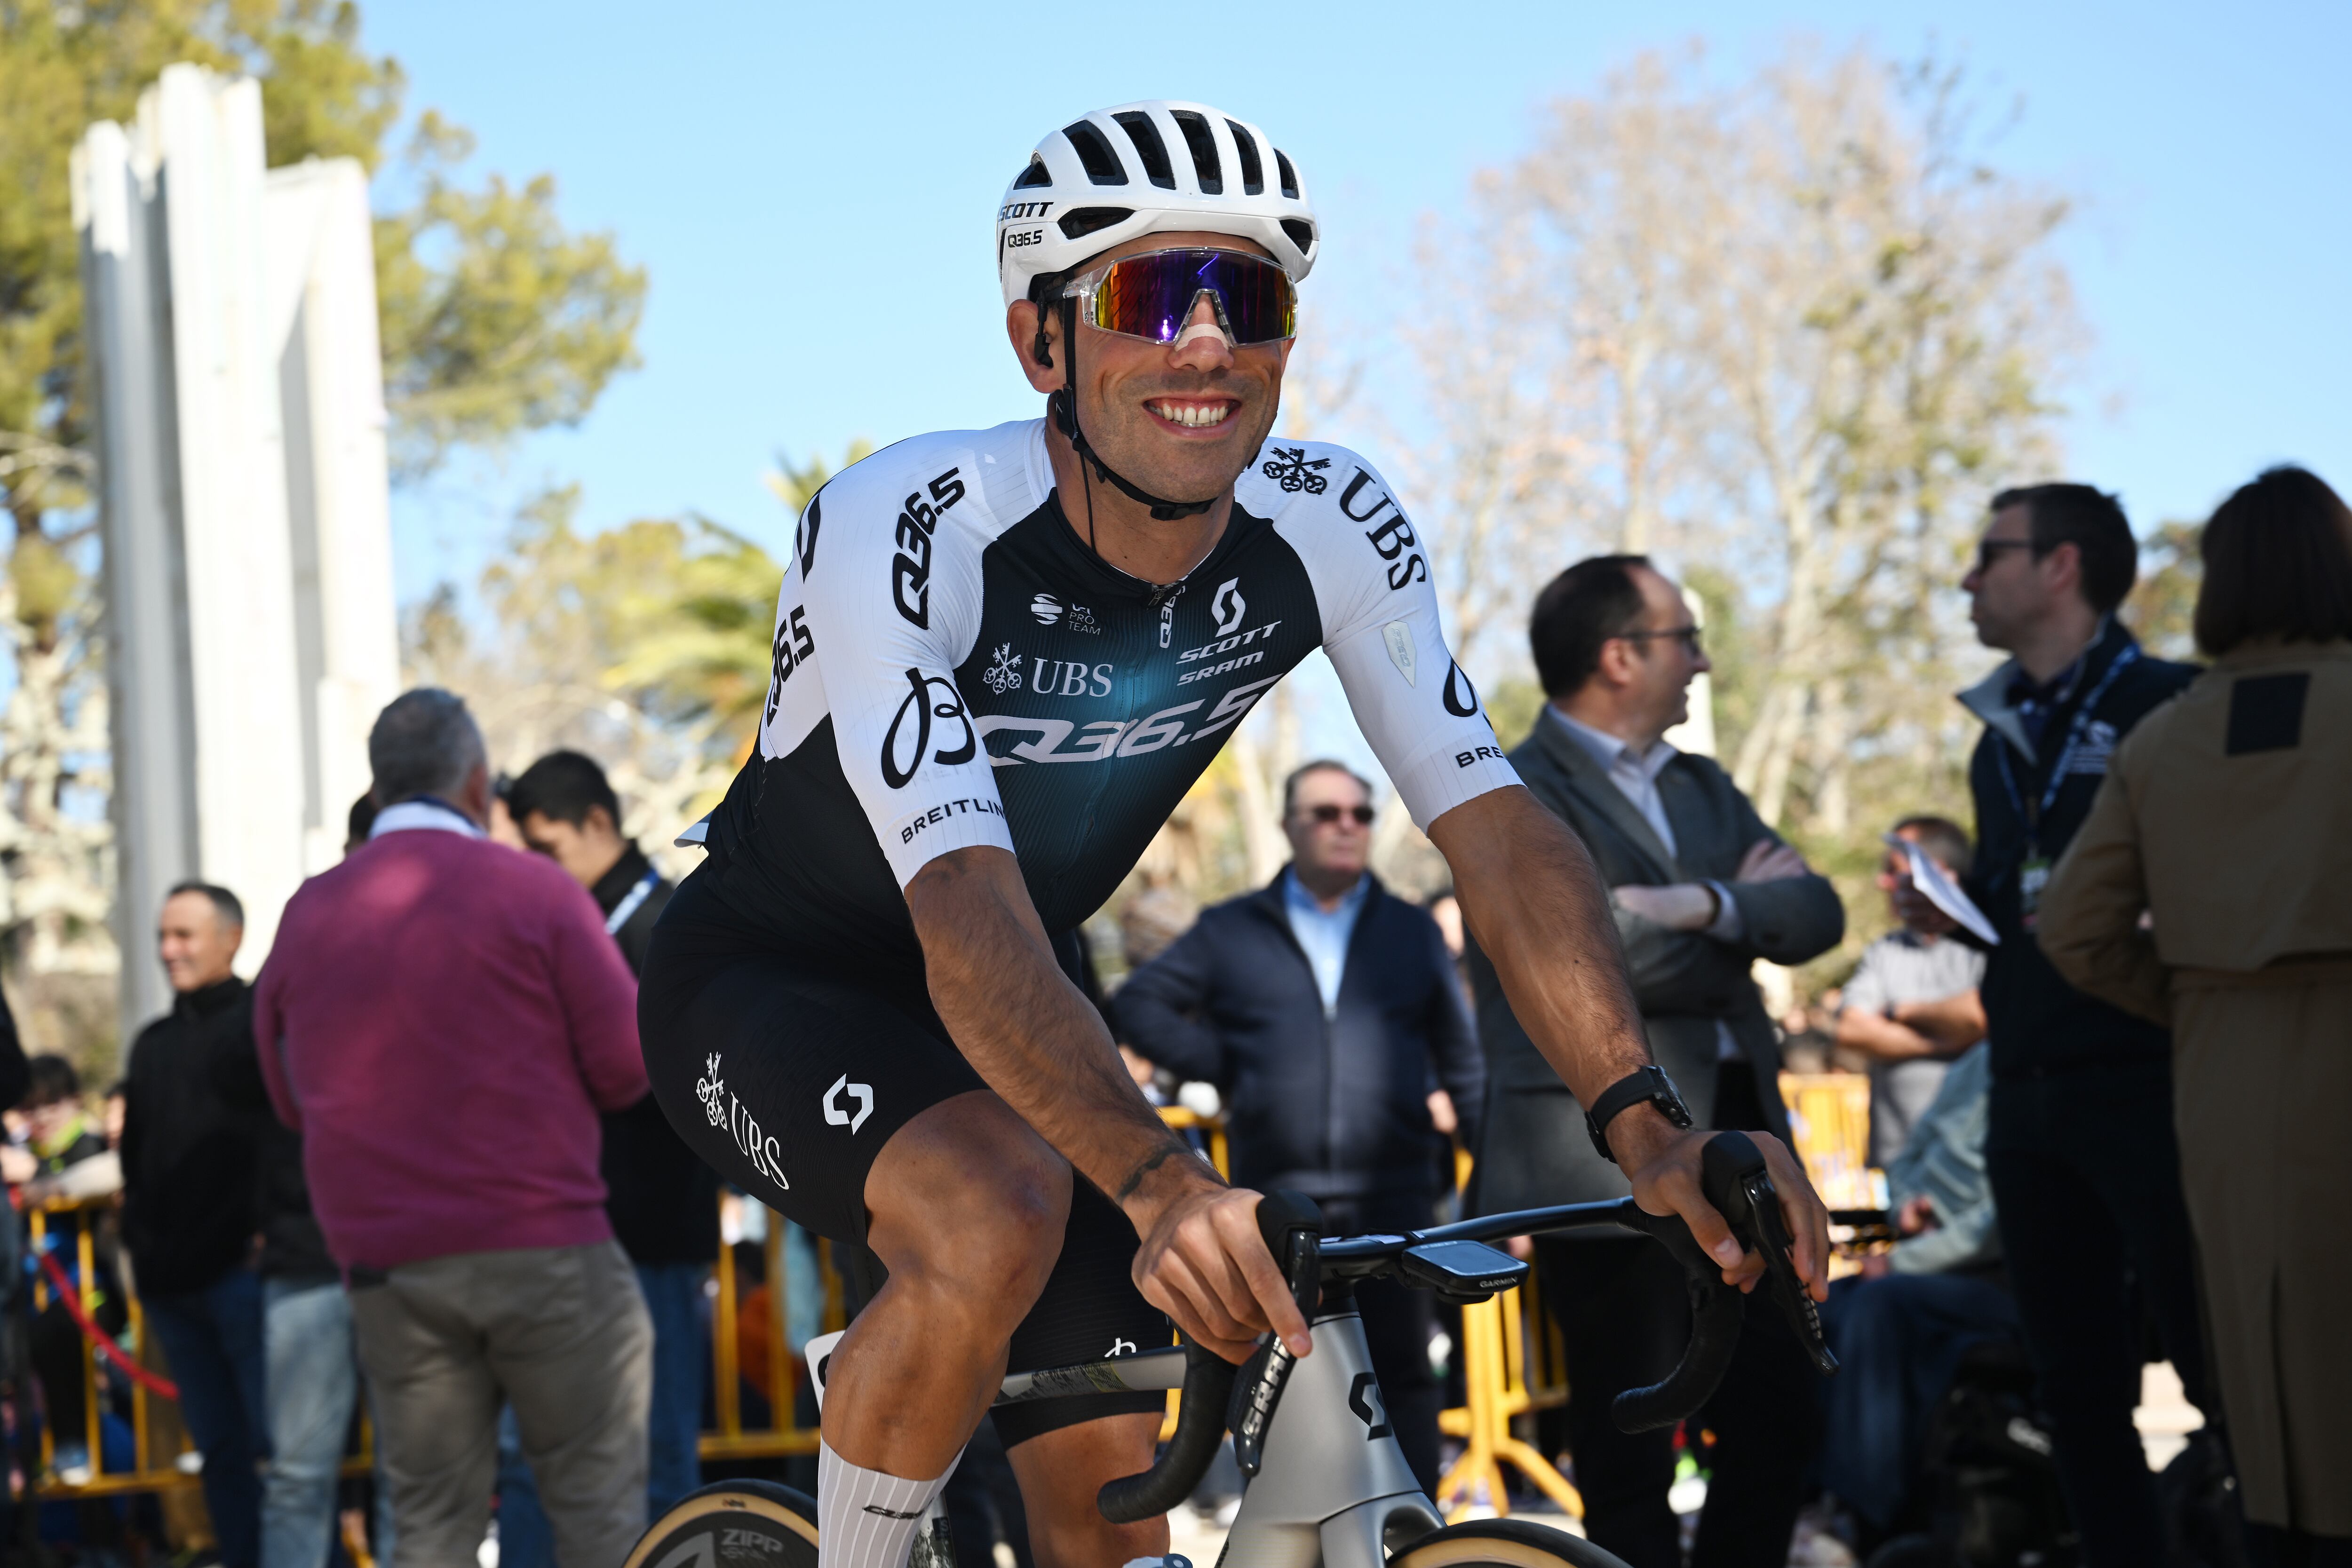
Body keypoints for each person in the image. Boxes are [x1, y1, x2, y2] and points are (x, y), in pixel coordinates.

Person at [636, 102, 1830, 1568]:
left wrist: (1642, 1119)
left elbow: (1499, 836)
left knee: (1110, 1516)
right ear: (1041, 346)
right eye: (1150, 296)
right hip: (775, 978)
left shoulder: (1328, 520)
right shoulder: (911, 518)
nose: (1205, 343)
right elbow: (958, 899)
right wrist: (1157, 1182)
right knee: (995, 1206)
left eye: (1248, 298)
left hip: (1019, 1009)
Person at [1465, 553, 1844, 1568]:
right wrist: (1733, 914)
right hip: (1593, 1151)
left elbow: (1817, 911)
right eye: (1686, 639)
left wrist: (1701, 905)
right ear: (1620, 655)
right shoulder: (1509, 789)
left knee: (1781, 1416)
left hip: (1746, 1145)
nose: (1704, 663)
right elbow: (1569, 955)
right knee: (1628, 1434)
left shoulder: (1704, 783)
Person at [254, 690, 655, 1568]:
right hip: (544, 1243)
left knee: (429, 1520)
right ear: (478, 783)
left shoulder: (307, 912)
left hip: (389, 1266)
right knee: (597, 1506)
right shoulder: (537, 891)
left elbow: (284, 1094)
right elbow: (628, 1063)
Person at [2038, 465, 2352, 1565]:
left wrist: (2198, 997)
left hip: (2223, 1064)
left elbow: (2073, 927)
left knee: (2264, 1354)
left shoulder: (2163, 738)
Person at [1931, 483, 2205, 1567]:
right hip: (2026, 1087)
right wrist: (1951, 905)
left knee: (2206, 1356)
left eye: (1988, 552)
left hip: (2152, 1077)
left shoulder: (2170, 705)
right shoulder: (1994, 739)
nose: (1966, 576)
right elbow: (2024, 900)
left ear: (2060, 567)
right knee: (2075, 1382)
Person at [1112, 759, 1485, 1493]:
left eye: (1360, 812)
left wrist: (1493, 1184)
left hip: (1397, 1196)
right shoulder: (1231, 929)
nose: (1347, 825)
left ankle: (1405, 1536)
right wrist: (1230, 1065)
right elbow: (1138, 1003)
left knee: (1402, 1375)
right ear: (1288, 824)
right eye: (1325, 812)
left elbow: (1464, 1064)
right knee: (1276, 1373)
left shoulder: (1411, 932)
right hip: (1276, 1206)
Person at [507, 750, 719, 1520]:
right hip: (581, 1227)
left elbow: (689, 1075)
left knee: (660, 1450)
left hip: (653, 1227)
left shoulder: (662, 920)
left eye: (548, 847)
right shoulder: (585, 919)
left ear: (598, 822)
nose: (540, 867)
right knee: (552, 1450)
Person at [207, 792, 385, 1568]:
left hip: (408, 1248)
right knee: (301, 1475)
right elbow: (246, 1063)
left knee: (421, 1475)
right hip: (315, 1248)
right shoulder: (309, 925)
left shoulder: (443, 938)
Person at [120, 883, 270, 1568]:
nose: (168, 950)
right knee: (222, 1455)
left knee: (280, 1454)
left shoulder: (258, 1023)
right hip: (173, 1285)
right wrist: (143, 1255)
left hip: (244, 1277)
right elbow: (139, 1157)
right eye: (163, 936)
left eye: (184, 935)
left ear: (230, 938)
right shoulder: (152, 1044)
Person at [1816, 1041, 2017, 1549]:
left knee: (1876, 1306)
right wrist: (1907, 1205)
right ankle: (1809, 1496)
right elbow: (1910, 1151)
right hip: (1927, 1250)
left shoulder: (2038, 1066)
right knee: (1810, 1307)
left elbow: (1998, 1221)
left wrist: (1899, 1261)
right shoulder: (1976, 1061)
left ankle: (1867, 1518)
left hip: (2001, 1275)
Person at [1834, 819, 1988, 1164]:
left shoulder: (1986, 944)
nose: (1882, 881)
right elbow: (1850, 1028)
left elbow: (1982, 1015)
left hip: (1975, 1154)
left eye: (1895, 870)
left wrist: (1899, 1011)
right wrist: (1945, 1040)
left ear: (1939, 873)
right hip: (1901, 1155)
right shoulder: (1885, 951)